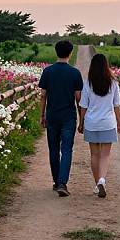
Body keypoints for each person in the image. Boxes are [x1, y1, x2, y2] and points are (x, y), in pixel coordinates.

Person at [39, 40, 83, 197]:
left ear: (56, 52)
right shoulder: (75, 73)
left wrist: (42, 115)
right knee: (66, 149)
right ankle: (63, 183)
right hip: (68, 117)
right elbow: (79, 99)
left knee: (53, 149)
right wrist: (82, 119)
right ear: (70, 53)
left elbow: (43, 95)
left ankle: (56, 181)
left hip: (52, 116)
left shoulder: (48, 71)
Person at [78, 53, 120, 198]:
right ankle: (102, 180)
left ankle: (97, 182)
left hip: (92, 123)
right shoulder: (113, 83)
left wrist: (81, 122)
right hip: (108, 123)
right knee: (105, 155)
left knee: (94, 154)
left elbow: (83, 106)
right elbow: (116, 105)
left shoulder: (88, 83)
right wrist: (119, 122)